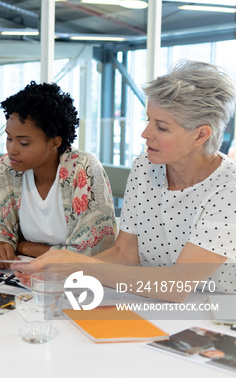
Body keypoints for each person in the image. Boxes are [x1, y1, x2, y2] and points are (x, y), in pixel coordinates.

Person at [13, 61, 236, 300]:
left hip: (215, 312)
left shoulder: (229, 187)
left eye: (161, 127)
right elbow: (125, 252)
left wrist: (75, 266)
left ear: (200, 135)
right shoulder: (145, 166)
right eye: (149, 119)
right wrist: (65, 276)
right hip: (148, 299)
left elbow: (176, 286)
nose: (145, 133)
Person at [0, 82, 116, 269]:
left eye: (24, 143)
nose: (12, 149)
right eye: (9, 138)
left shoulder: (83, 169)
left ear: (54, 142)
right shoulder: (7, 167)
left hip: (78, 280)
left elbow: (90, 253)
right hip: (24, 276)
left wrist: (24, 246)